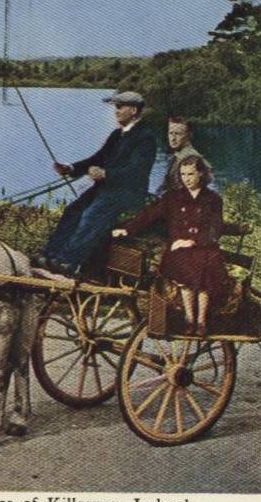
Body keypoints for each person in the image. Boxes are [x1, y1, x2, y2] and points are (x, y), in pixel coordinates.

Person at [36, 91, 157, 274]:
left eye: (119, 107)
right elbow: (98, 158)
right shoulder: (117, 134)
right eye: (115, 107)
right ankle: (49, 256)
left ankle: (68, 262)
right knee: (72, 211)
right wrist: (70, 168)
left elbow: (136, 172)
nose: (115, 111)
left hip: (128, 194)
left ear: (133, 110)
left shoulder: (146, 137)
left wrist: (106, 174)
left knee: (91, 215)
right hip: (107, 189)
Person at [112, 154, 227, 336]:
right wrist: (127, 229)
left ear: (201, 175)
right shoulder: (173, 197)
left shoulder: (212, 199)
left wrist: (193, 241)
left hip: (205, 247)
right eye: (183, 175)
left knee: (205, 266)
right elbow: (149, 214)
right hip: (178, 249)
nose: (186, 179)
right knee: (184, 264)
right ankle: (189, 318)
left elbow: (216, 228)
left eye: (190, 174)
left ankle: (201, 321)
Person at [159, 117, 202, 194]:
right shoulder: (177, 155)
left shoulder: (190, 159)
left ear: (189, 135)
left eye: (178, 134)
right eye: (171, 133)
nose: (173, 138)